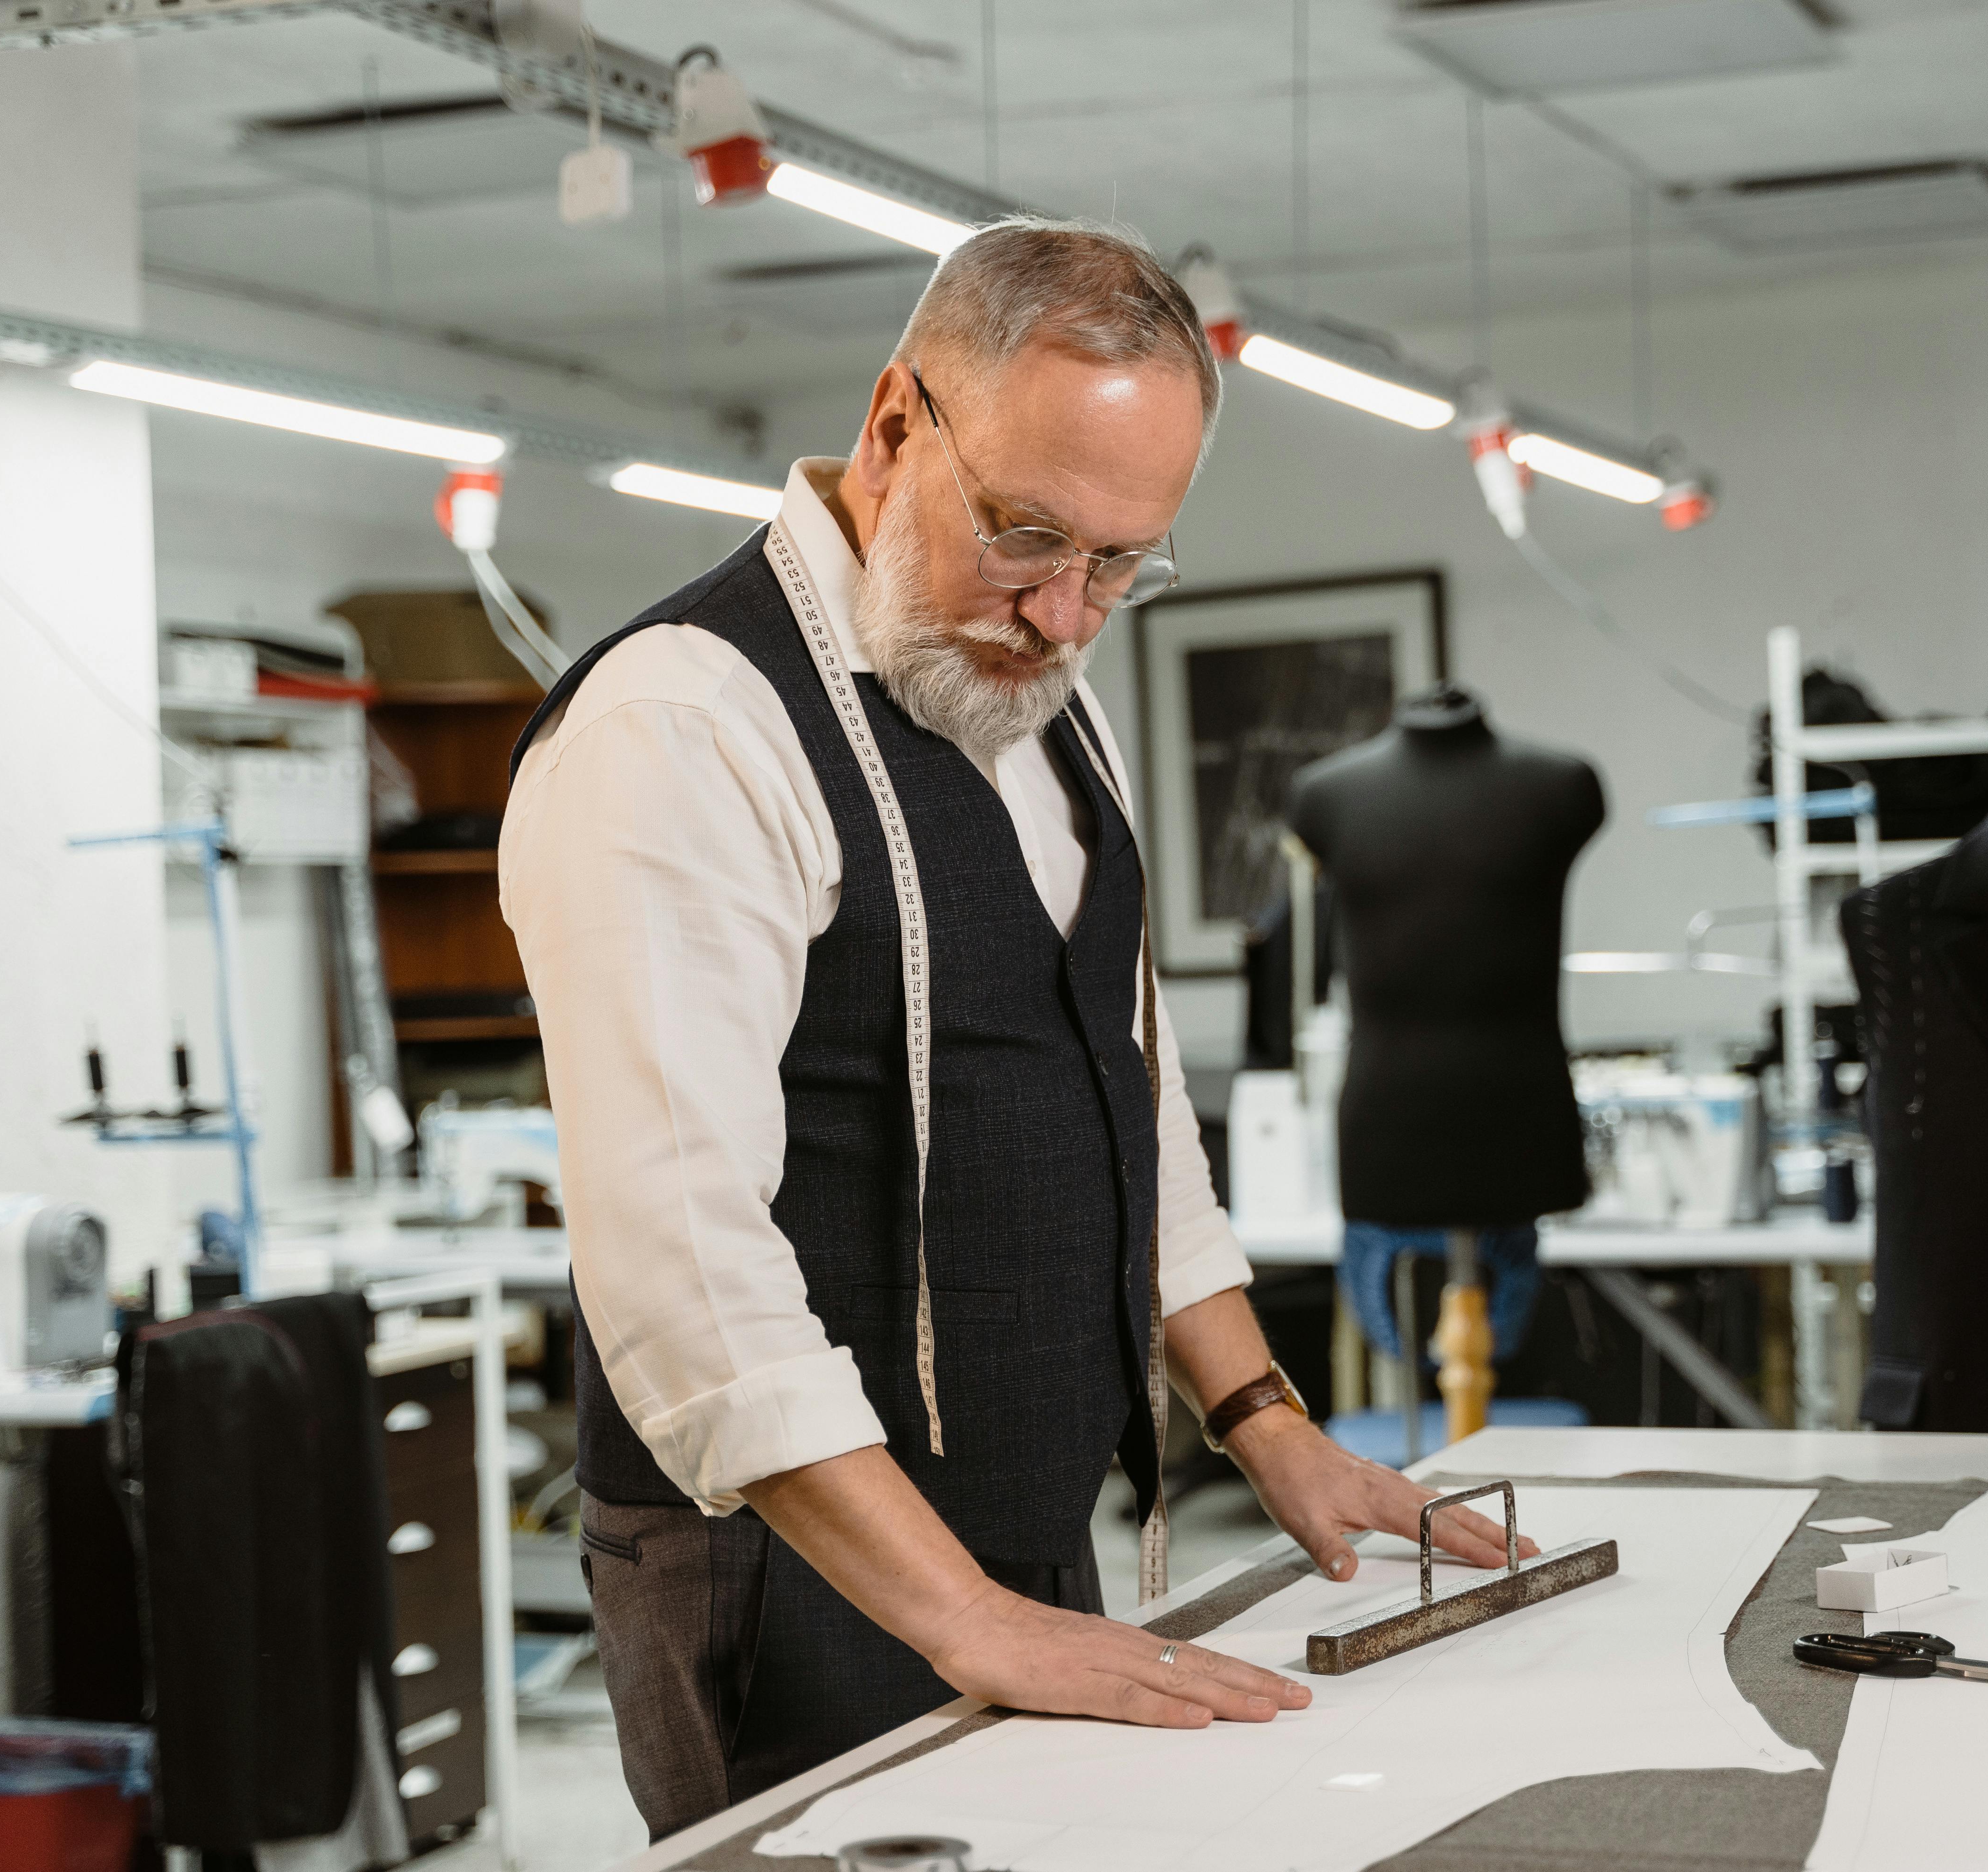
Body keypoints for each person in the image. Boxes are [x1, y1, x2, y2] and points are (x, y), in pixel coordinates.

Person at [500, 217, 1528, 1840]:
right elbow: (678, 1258)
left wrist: (1268, 1425)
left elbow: (1131, 1101)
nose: (1066, 614)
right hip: (788, 1562)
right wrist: (963, 1613)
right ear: (897, 423)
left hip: (1025, 1526)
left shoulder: (1044, 700)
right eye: (1029, 537)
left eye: (1123, 564)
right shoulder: (686, 722)